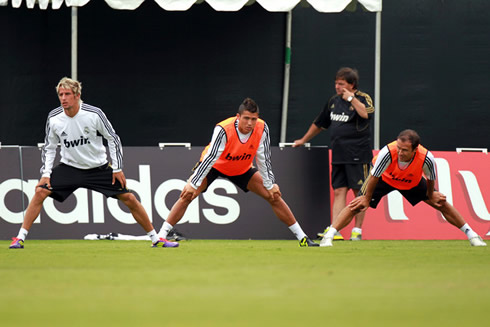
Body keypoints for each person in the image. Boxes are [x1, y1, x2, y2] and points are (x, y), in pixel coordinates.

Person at [9, 77, 178, 249]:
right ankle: (20, 238)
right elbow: (49, 147)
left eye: (67, 94)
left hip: (98, 168)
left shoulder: (94, 114)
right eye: (61, 94)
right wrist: (46, 174)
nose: (63, 98)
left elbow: (113, 139)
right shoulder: (54, 118)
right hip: (70, 168)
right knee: (39, 192)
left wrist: (117, 168)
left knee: (130, 198)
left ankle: (156, 239)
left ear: (77, 95)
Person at [158, 97, 319, 247]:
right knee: (187, 194)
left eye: (253, 119)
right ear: (238, 117)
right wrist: (194, 183)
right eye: (246, 118)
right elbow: (211, 157)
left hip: (242, 168)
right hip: (215, 166)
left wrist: (270, 185)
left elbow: (263, 159)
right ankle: (161, 237)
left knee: (274, 196)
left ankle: (303, 238)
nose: (250, 123)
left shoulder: (262, 129)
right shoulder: (223, 129)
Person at [320, 129, 487, 247]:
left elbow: (430, 179)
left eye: (404, 150)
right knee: (357, 204)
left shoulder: (427, 158)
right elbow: (374, 176)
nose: (399, 152)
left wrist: (431, 195)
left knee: (441, 203)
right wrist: (365, 197)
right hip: (384, 179)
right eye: (398, 148)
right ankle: (329, 236)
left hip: (411, 182)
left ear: (415, 149)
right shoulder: (388, 152)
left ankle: (472, 235)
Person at [293, 67, 374, 241]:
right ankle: (335, 230)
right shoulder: (333, 101)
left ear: (352, 85)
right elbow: (320, 124)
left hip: (358, 154)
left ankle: (357, 231)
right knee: (339, 191)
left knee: (359, 192)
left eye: (341, 84)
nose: (337, 87)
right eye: (336, 83)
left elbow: (366, 114)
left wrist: (351, 98)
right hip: (339, 154)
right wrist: (303, 139)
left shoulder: (363, 98)